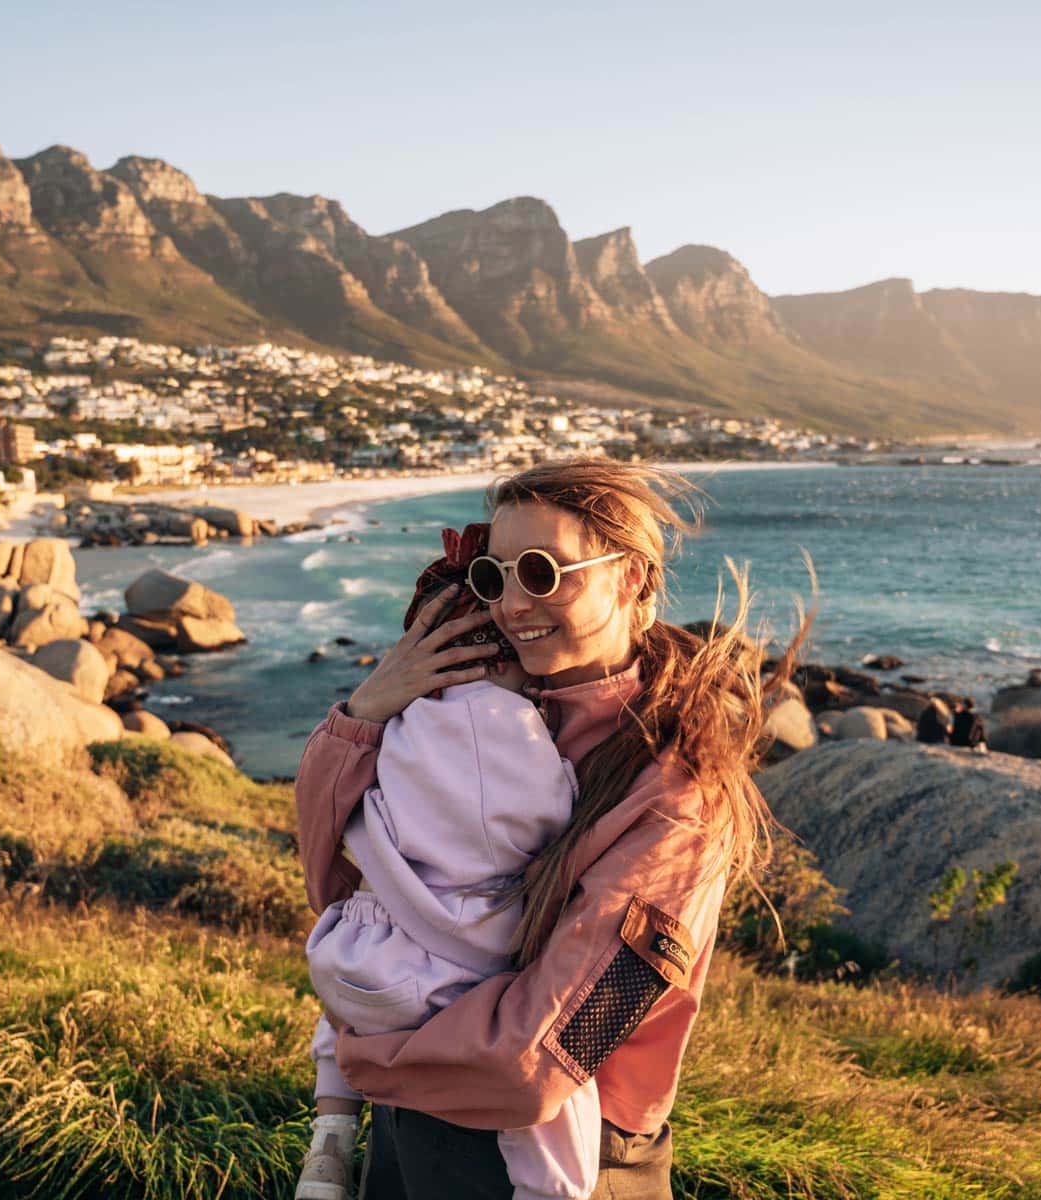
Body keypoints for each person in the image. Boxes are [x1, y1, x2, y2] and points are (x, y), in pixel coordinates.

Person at [295, 459, 795, 1198]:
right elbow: (331, 880)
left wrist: (363, 1057)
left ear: (632, 578)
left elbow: (547, 1058)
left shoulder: (678, 793)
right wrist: (366, 713)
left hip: (572, 1159)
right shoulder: (474, 718)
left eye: (543, 570)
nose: (512, 605)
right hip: (417, 1124)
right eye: (495, 578)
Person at [296, 524, 601, 1200]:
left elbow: (332, 820)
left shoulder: (398, 723)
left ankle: (329, 1139)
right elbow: (543, 819)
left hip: (355, 948)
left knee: (344, 1022)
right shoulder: (506, 729)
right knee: (554, 1096)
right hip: (447, 974)